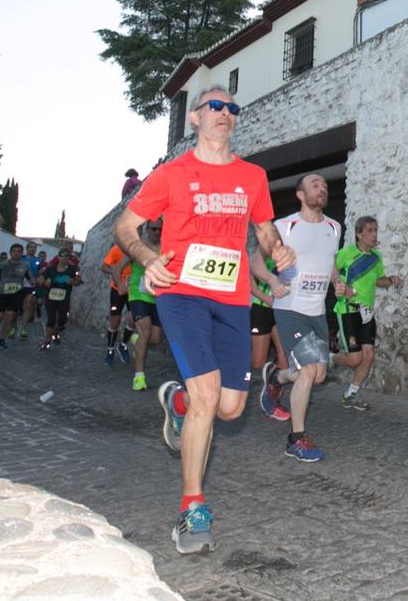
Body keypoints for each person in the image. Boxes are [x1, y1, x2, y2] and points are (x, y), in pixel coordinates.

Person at [113, 84, 296, 555]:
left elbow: (263, 230)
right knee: (208, 396)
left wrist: (277, 248)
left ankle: (176, 402)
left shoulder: (253, 176)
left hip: (232, 298)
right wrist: (148, 257)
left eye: (233, 107)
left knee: (231, 408)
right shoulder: (172, 174)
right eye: (215, 105)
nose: (225, 113)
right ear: (195, 118)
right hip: (183, 294)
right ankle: (192, 508)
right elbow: (125, 226)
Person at [258, 173, 347, 462]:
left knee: (317, 375)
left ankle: (277, 377)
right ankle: (296, 439)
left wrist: (337, 282)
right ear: (300, 194)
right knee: (309, 369)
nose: (322, 188)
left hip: (317, 311)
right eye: (315, 185)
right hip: (290, 307)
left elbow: (330, 260)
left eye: (324, 184)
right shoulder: (284, 227)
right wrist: (272, 281)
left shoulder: (335, 228)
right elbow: (253, 261)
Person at [331, 216, 403, 411]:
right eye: (370, 230)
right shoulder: (347, 252)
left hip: (367, 313)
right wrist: (339, 284)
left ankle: (351, 395)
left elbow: (378, 280)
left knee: (368, 355)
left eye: (376, 230)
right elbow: (331, 268)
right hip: (347, 310)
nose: (374, 234)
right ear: (359, 233)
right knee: (355, 359)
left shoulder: (376, 257)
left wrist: (391, 280)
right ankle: (329, 358)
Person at [248, 247, 292, 421]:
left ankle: (273, 402)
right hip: (261, 309)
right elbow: (250, 285)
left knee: (284, 360)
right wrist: (268, 300)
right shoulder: (258, 257)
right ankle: (268, 372)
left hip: (281, 312)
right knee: (257, 362)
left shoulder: (290, 256)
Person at [126, 220, 166, 390]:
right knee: (145, 329)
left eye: (160, 229)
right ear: (147, 229)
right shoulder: (138, 246)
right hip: (138, 294)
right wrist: (121, 286)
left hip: (157, 296)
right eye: (153, 228)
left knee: (155, 339)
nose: (157, 232)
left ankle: (136, 340)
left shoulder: (166, 247)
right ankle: (139, 377)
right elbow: (117, 267)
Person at [0, 243, 32, 350]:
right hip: (2, 294)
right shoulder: (2, 264)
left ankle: (2, 339)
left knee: (10, 316)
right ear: (10, 252)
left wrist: (37, 281)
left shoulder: (25, 265)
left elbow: (31, 279)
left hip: (16, 294)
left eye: (19, 251)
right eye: (14, 251)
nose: (16, 253)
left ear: (22, 253)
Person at [38, 244, 80, 351]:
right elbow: (40, 279)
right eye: (62, 256)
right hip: (51, 297)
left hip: (64, 298)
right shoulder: (51, 269)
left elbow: (79, 280)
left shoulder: (72, 269)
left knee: (62, 319)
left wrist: (73, 281)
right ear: (58, 257)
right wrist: (44, 282)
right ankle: (47, 341)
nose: (64, 258)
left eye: (67, 256)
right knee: (51, 319)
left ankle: (55, 333)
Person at [101, 243, 135, 365]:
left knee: (133, 319)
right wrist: (115, 272)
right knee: (115, 320)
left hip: (133, 289)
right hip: (117, 289)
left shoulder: (139, 249)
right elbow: (104, 267)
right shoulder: (117, 249)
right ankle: (110, 350)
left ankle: (123, 345)